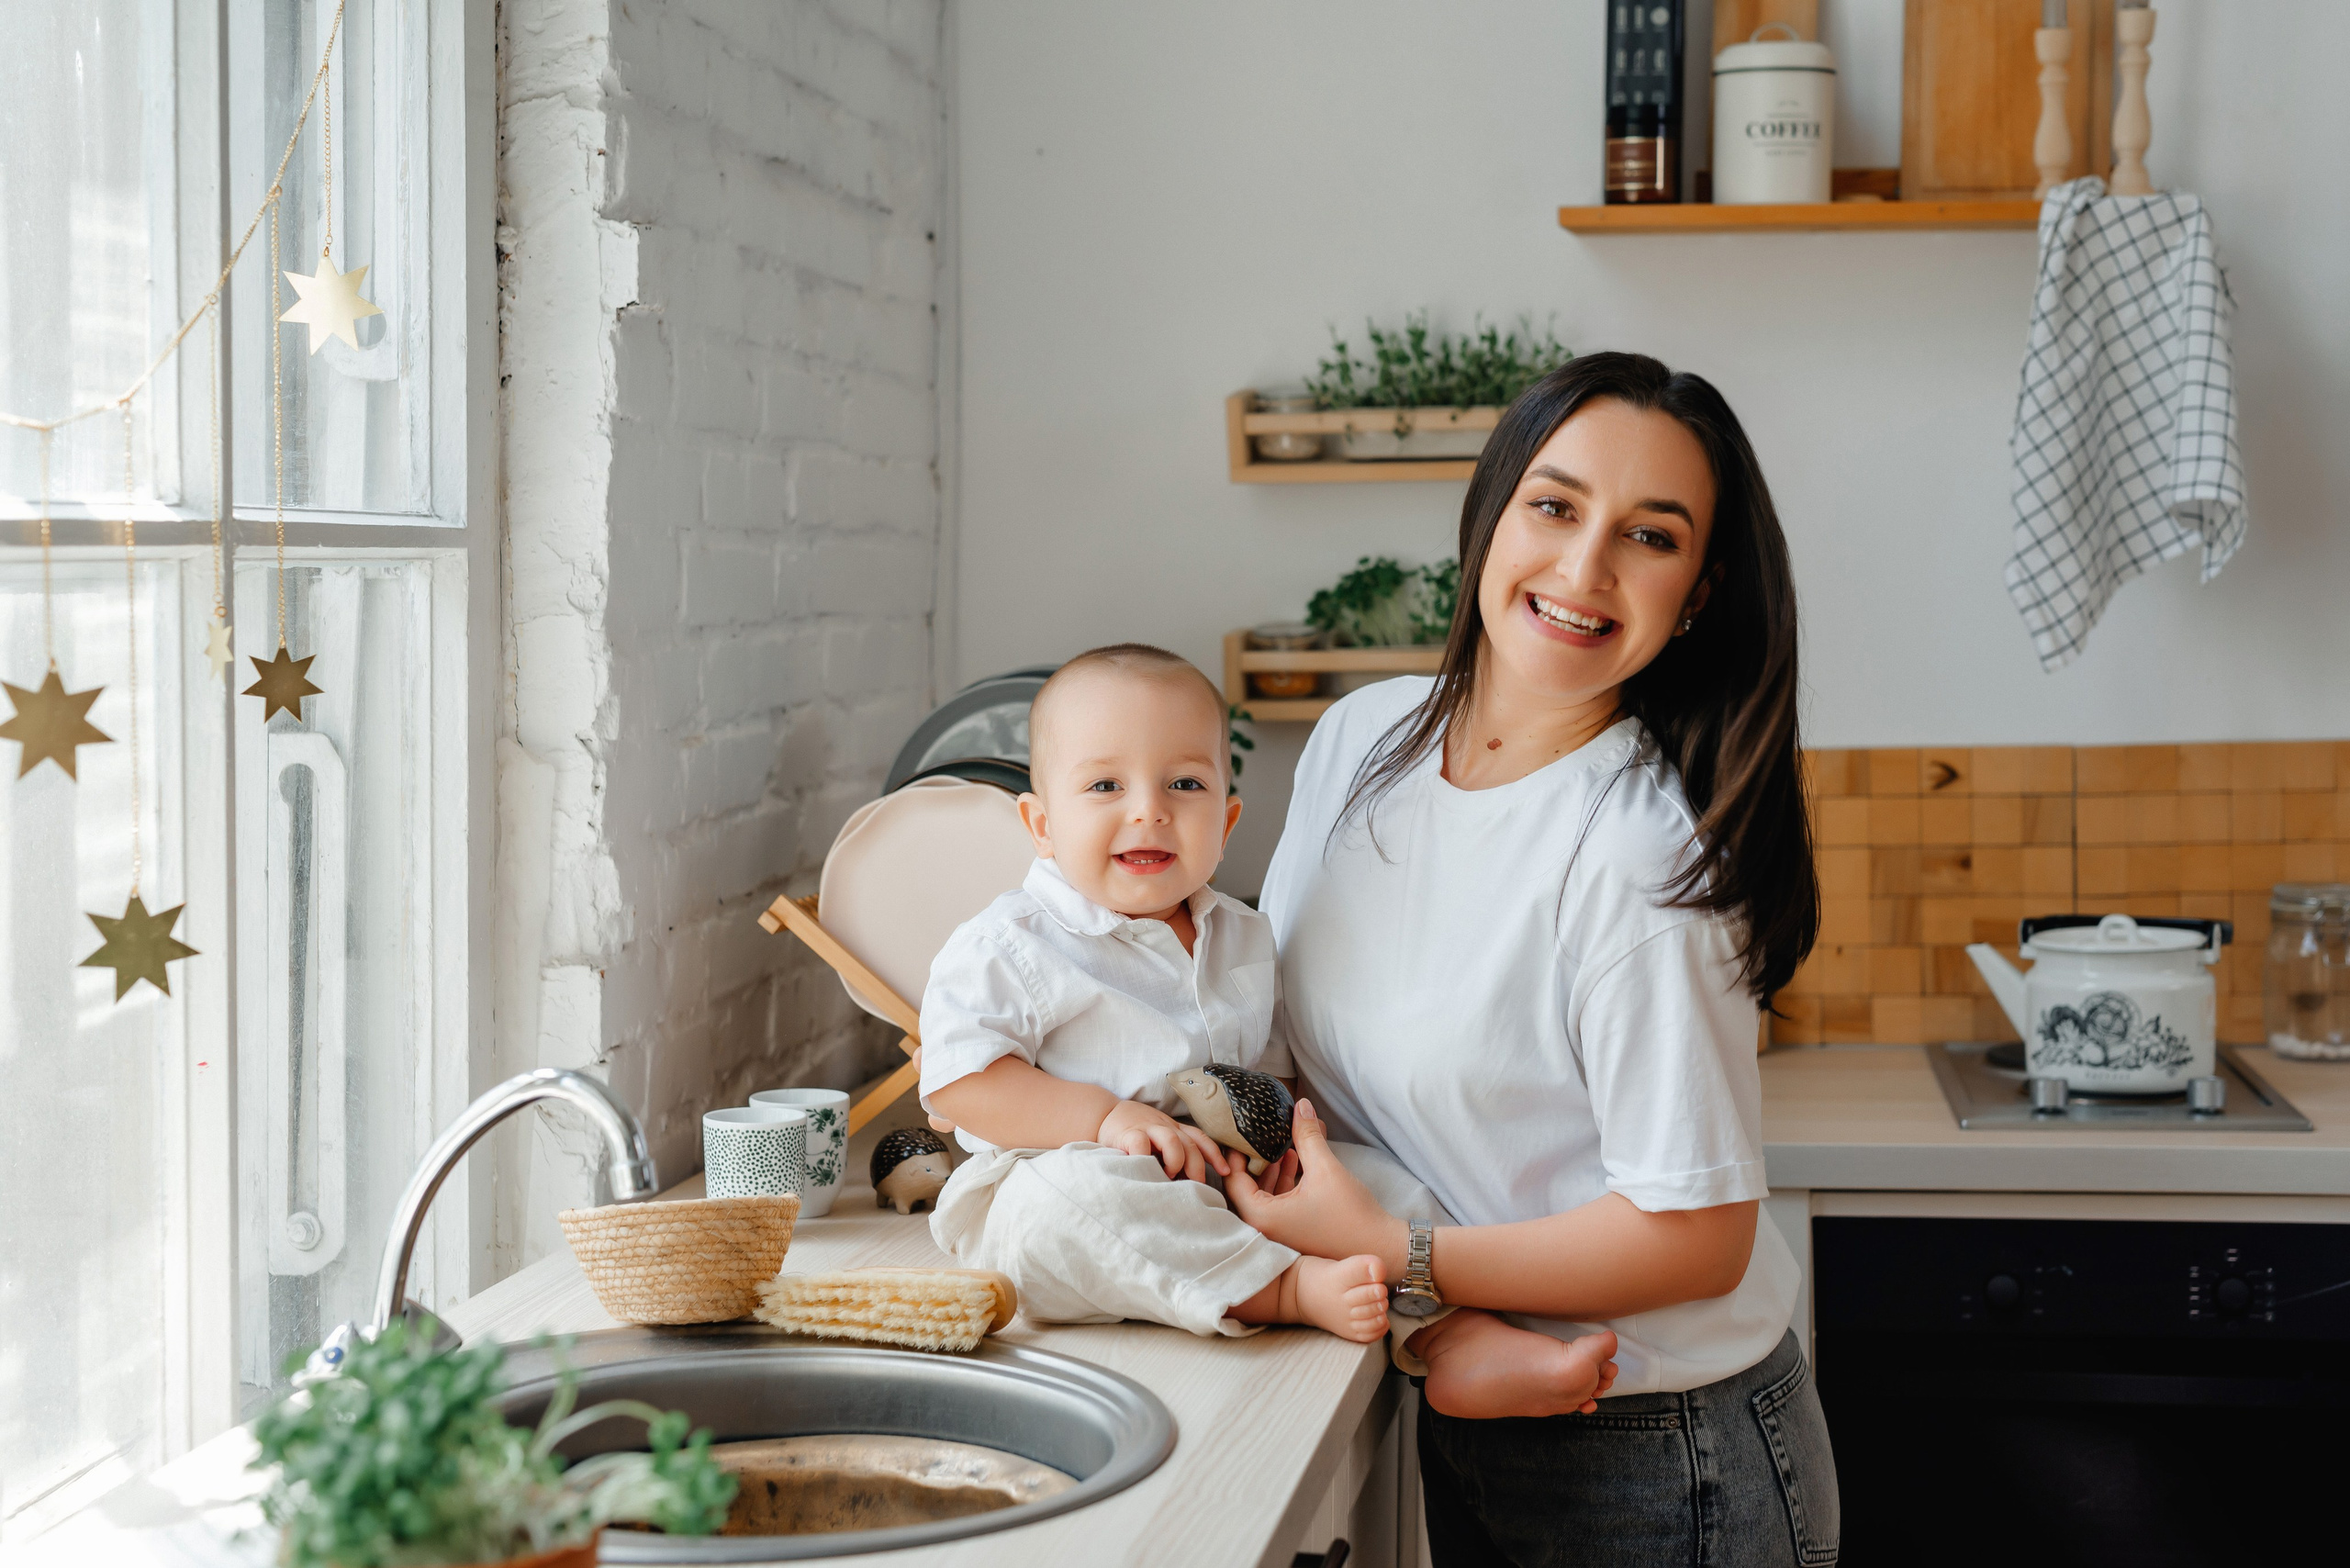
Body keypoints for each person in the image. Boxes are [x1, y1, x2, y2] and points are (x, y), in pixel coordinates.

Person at [1226, 353, 1841, 1567]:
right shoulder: (1361, 742)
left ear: (1699, 594)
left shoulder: (1639, 851)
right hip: (1474, 1404)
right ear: (1491, 514)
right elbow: (1291, 1045)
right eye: (1554, 506)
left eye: (1649, 537)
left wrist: (1401, 1258)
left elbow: (1698, 1234)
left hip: (1663, 1456)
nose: (1583, 568)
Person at [916, 645, 1619, 1417]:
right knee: (1069, 1203)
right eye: (1105, 785)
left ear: (1226, 820)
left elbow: (1272, 1071)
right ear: (1041, 824)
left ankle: (1455, 1336)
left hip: (1226, 1179)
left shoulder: (1246, 936)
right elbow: (958, 1082)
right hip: (1063, 1184)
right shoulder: (1014, 941)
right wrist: (1105, 1118)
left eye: (1184, 784)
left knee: (1381, 1180)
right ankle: (1281, 1288)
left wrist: (1287, 1153)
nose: (1148, 809)